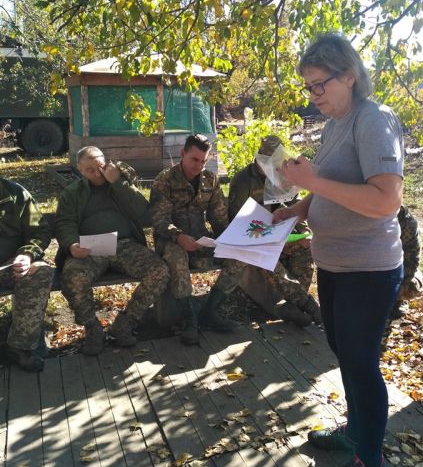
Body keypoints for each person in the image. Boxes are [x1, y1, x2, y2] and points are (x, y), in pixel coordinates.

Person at [273, 33, 404, 467]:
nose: (313, 96)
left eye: (319, 85)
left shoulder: (373, 120)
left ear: (348, 75)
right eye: (308, 87)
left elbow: (386, 200)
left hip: (368, 271)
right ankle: (355, 432)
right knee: (345, 357)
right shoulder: (334, 124)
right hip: (334, 265)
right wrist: (300, 207)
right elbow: (328, 184)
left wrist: (312, 182)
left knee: (361, 364)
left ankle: (371, 466)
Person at [55, 146, 169, 355]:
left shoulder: (120, 184)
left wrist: (118, 182)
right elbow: (65, 223)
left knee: (159, 270)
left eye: (99, 166)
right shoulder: (73, 194)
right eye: (89, 169)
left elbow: (143, 212)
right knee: (73, 276)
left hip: (124, 245)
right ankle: (93, 328)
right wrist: (71, 245)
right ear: (80, 171)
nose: (96, 173)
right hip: (90, 247)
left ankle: (125, 323)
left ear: (106, 162)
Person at [150, 134, 242, 345]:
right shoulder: (164, 180)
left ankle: (211, 310)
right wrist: (178, 236)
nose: (198, 166)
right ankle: (190, 319)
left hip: (201, 239)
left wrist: (229, 240)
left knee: (239, 256)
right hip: (171, 240)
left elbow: (218, 218)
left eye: (203, 161)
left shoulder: (210, 180)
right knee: (176, 257)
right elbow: (159, 219)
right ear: (183, 154)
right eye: (194, 159)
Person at [228, 134, 320, 325]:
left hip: (281, 236)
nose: (271, 166)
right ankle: (305, 303)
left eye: (275, 161)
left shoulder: (282, 176)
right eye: (267, 161)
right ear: (258, 158)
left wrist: (303, 232)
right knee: (268, 258)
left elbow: (296, 207)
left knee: (305, 249)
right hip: (254, 239)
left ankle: (291, 304)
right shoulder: (243, 180)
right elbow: (237, 220)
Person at [0, 177, 53, 372]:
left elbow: (39, 231)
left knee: (40, 272)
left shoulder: (14, 194)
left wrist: (26, 254)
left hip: (9, 265)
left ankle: (20, 346)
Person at [391, 205, 423, 319]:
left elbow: (412, 257)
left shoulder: (406, 221)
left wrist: (400, 285)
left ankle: (396, 302)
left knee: (411, 285)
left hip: (393, 269)